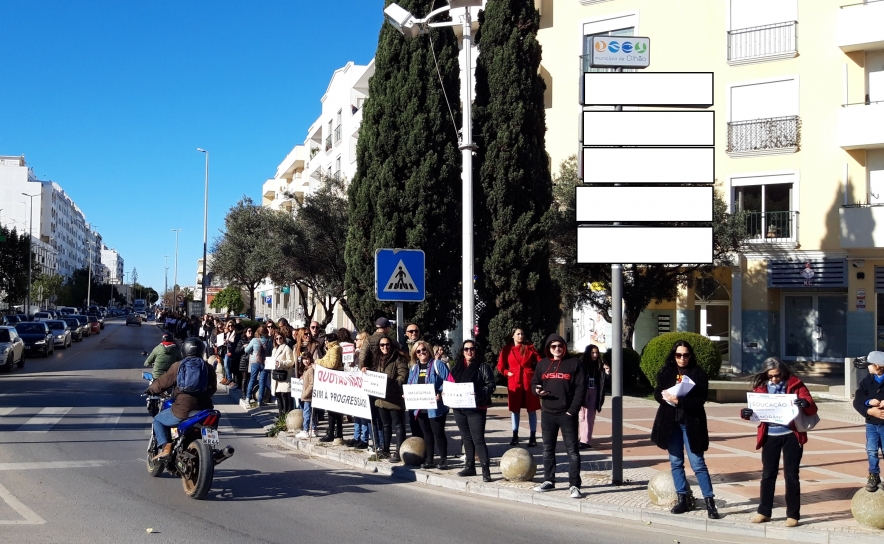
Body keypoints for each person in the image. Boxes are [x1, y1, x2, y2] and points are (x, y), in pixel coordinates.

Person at [740, 357, 817, 527]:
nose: (774, 379)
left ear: (783, 372)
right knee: (768, 474)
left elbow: (812, 406)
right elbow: (753, 412)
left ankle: (793, 515)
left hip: (791, 434)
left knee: (791, 475)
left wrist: (805, 403)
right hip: (770, 435)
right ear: (765, 375)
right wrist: (745, 413)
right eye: (771, 376)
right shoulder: (760, 388)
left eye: (778, 375)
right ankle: (764, 511)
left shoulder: (796, 384)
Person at [650, 340, 719, 518]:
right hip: (670, 423)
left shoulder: (698, 374)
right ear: (674, 356)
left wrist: (680, 401)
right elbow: (657, 392)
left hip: (691, 422)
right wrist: (664, 396)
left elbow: (700, 400)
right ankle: (683, 499)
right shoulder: (666, 372)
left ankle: (710, 501)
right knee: (676, 462)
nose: (682, 359)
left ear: (690, 356)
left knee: (698, 463)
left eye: (686, 355)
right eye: (679, 355)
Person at [146, 337, 217, 460]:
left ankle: (166, 447)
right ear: (202, 351)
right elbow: (213, 389)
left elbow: (162, 383)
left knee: (158, 420)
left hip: (183, 410)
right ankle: (212, 450)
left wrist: (150, 390)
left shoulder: (178, 366)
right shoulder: (208, 367)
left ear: (184, 350)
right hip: (205, 410)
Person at [532, 334, 585, 498]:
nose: (557, 349)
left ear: (564, 347)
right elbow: (534, 382)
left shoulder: (574, 364)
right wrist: (537, 390)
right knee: (547, 449)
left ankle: (574, 485)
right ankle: (549, 480)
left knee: (572, 451)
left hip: (566, 414)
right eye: (553, 346)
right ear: (548, 348)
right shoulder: (543, 364)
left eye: (560, 346)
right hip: (548, 413)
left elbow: (580, 389)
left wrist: (571, 411)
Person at [451, 339, 496, 482]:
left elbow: (491, 385)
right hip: (459, 408)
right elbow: (450, 383)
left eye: (472, 349)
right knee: (466, 438)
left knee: (478, 439)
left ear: (476, 351)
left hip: (476, 408)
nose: (469, 351)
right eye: (466, 349)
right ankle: (470, 466)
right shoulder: (457, 367)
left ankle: (485, 469)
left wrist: (479, 393)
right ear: (462, 352)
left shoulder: (483, 367)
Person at [407, 340, 450, 469]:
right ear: (415, 354)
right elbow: (410, 383)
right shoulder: (414, 368)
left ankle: (443, 459)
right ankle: (429, 459)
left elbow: (449, 380)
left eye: (424, 350)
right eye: (418, 351)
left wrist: (440, 392)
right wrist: (407, 394)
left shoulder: (438, 365)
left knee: (438, 433)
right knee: (426, 433)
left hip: (436, 407)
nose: (421, 353)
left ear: (429, 351)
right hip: (420, 407)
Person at [497, 327, 541, 447]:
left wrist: (536, 375)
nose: (520, 336)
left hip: (528, 379)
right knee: (515, 409)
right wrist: (507, 373)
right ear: (513, 335)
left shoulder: (529, 347)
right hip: (514, 381)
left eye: (522, 333)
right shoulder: (507, 349)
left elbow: (540, 362)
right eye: (518, 334)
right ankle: (515, 435)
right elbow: (500, 366)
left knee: (532, 409)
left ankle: (533, 437)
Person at [368, 337, 408, 462]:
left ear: (391, 345)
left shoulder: (399, 358)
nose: (385, 347)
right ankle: (385, 450)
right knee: (385, 425)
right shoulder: (377, 359)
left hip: (394, 398)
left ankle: (398, 451)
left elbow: (403, 375)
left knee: (398, 425)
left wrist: (392, 385)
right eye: (382, 345)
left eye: (387, 345)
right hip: (381, 399)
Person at [854, 351, 884, 492]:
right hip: (872, 423)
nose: (868, 368)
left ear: (878, 366)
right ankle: (873, 475)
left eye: (870, 365)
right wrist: (868, 406)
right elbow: (858, 399)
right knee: (871, 449)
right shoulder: (867, 381)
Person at [316, 329, 344, 443]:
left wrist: (318, 362)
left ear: (329, 341)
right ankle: (335, 432)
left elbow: (332, 364)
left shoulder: (334, 349)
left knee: (334, 410)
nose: (325, 342)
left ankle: (334, 433)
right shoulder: (332, 349)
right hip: (332, 381)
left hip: (334, 382)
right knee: (333, 410)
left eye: (326, 340)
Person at [345, 331, 372, 449]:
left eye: (358, 339)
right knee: (356, 412)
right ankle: (356, 437)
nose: (355, 341)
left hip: (363, 386)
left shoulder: (367, 353)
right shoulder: (355, 352)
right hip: (354, 385)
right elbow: (349, 365)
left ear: (364, 341)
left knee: (363, 414)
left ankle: (364, 439)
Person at [578, 344, 606, 449]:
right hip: (584, 391)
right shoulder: (581, 363)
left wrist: (607, 372)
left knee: (590, 416)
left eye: (596, 353)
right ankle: (581, 437)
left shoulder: (600, 364)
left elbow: (604, 381)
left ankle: (586, 441)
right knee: (582, 416)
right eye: (592, 352)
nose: (595, 355)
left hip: (594, 390)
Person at [245, 325, 273, 407]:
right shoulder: (269, 341)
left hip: (255, 362)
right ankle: (260, 401)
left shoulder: (254, 340)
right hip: (265, 363)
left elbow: (246, 350)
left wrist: (251, 350)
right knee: (262, 381)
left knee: (252, 379)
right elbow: (271, 352)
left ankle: (248, 398)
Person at [271, 331, 296, 417]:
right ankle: (280, 413)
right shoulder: (274, 349)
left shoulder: (287, 348)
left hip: (284, 375)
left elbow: (291, 362)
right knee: (278, 394)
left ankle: (285, 414)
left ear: (283, 338)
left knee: (284, 395)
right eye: (276, 338)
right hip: (276, 375)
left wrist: (281, 363)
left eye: (280, 338)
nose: (279, 340)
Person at [295, 354, 317, 439]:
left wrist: (305, 393)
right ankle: (314, 429)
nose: (306, 361)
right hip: (307, 395)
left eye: (307, 359)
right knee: (311, 413)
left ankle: (305, 430)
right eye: (304, 359)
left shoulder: (311, 369)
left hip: (308, 396)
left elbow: (312, 383)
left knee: (306, 413)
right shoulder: (307, 369)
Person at [233, 327, 254, 401]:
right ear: (245, 332)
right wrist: (243, 347)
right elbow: (237, 351)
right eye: (249, 331)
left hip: (252, 361)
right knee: (245, 378)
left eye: (251, 331)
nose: (250, 332)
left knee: (251, 378)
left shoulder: (254, 340)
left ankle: (250, 393)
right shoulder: (242, 341)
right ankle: (244, 393)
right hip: (244, 361)